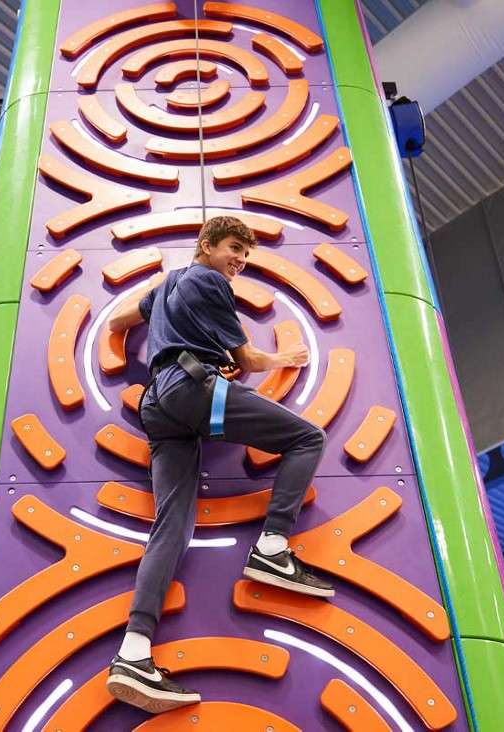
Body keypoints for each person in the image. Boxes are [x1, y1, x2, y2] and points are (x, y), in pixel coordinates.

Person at [101, 215, 332, 714]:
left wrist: (158, 299)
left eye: (244, 257)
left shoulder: (167, 286)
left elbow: (118, 322)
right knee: (306, 438)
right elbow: (246, 360)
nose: (238, 262)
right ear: (205, 246)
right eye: (233, 249)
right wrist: (285, 357)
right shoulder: (209, 281)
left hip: (158, 406)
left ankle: (133, 652)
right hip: (193, 387)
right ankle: (272, 547)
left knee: (173, 527)